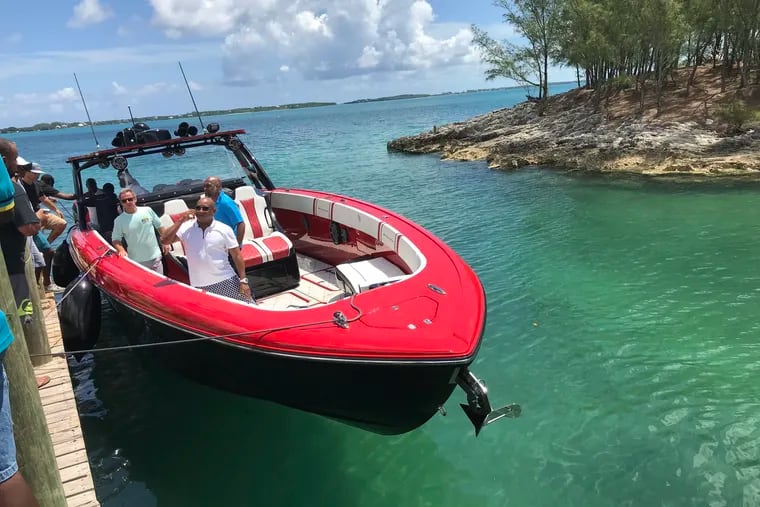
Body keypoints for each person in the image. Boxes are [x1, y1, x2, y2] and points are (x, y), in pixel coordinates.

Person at [0, 139, 43, 507]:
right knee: (21, 318)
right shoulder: (11, 187)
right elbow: (29, 226)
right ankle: (27, 374)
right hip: (12, 268)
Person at [160, 197, 253, 302]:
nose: (200, 211)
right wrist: (181, 220)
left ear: (214, 211)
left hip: (225, 280)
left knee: (247, 306)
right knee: (213, 312)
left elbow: (237, 256)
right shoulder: (186, 228)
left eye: (205, 208)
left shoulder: (224, 229)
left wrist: (243, 281)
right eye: (198, 208)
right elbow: (164, 240)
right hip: (199, 285)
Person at [111, 189, 166, 274]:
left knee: (159, 283)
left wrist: (166, 242)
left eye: (130, 199)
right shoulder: (119, 221)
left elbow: (159, 226)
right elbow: (116, 239)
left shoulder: (147, 210)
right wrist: (121, 250)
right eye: (124, 201)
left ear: (135, 199)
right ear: (121, 203)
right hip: (137, 262)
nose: (128, 202)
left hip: (156, 258)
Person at [16, 161, 66, 244]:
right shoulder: (19, 185)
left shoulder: (36, 184)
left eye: (38, 173)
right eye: (35, 173)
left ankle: (47, 244)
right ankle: (43, 246)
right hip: (29, 216)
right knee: (37, 227)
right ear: (27, 172)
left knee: (62, 224)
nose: (37, 175)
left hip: (39, 213)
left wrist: (56, 209)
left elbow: (44, 199)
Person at [202, 176, 245, 245]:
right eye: (204, 186)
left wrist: (237, 246)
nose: (205, 189)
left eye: (208, 186)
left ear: (218, 187)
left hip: (228, 242)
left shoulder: (226, 202)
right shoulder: (208, 201)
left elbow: (241, 224)